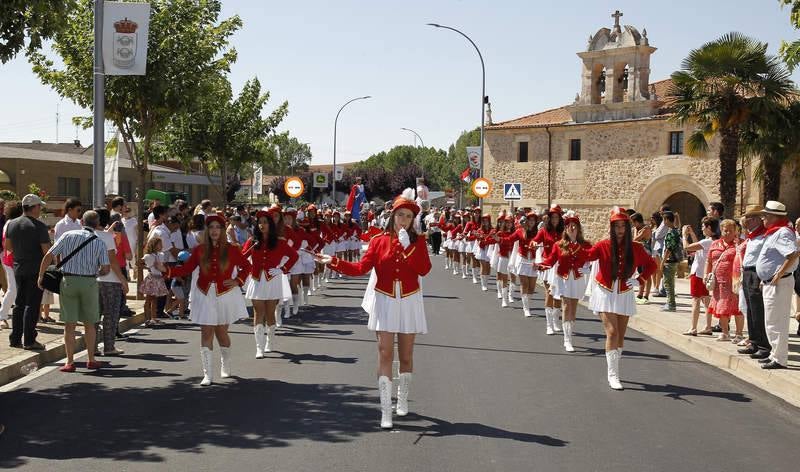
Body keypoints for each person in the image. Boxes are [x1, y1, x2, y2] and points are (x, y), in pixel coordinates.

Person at [317, 188, 432, 430]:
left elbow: (424, 269)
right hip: (385, 300)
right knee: (385, 353)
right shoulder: (378, 241)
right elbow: (361, 268)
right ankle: (385, 410)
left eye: (408, 216)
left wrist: (408, 246)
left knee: (407, 356)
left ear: (413, 220)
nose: (404, 220)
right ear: (392, 216)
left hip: (409, 300)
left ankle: (402, 397)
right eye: (400, 215)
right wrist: (334, 262)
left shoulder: (418, 242)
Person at [166, 214, 252, 385]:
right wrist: (166, 271)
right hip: (204, 294)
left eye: (217, 227)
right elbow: (186, 269)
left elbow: (247, 266)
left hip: (224, 295)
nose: (214, 231)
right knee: (206, 332)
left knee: (221, 333)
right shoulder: (200, 250)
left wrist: (237, 281)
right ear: (207, 230)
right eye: (211, 227)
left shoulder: (232, 249)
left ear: (222, 230)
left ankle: (225, 363)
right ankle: (208, 374)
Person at [582, 207, 656, 390]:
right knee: (612, 332)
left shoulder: (636, 248)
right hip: (605, 291)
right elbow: (587, 256)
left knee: (621, 336)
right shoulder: (603, 245)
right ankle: (613, 375)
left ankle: (615, 366)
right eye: (617, 226)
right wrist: (576, 242)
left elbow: (652, 265)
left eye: (623, 226)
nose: (620, 230)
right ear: (612, 227)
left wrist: (640, 279)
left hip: (624, 292)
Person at [37, 210, 110, 372]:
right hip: (89, 282)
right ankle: (91, 359)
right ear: (97, 224)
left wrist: (41, 275)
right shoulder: (99, 242)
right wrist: (95, 272)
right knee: (89, 324)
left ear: (82, 222)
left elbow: (49, 255)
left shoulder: (68, 235)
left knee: (69, 324)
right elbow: (106, 268)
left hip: (68, 281)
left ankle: (69, 362)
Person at [243, 210, 298, 357]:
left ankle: (270, 341)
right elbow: (242, 259)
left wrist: (283, 269)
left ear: (270, 225)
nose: (262, 225)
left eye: (265, 222)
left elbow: (294, 256)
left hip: (272, 280)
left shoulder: (280, 242)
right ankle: (259, 347)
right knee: (258, 312)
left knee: (270, 313)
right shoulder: (252, 241)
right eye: (259, 222)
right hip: (256, 280)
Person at [539, 211, 592, 352]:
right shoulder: (559, 245)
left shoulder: (585, 245)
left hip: (577, 279)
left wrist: (588, 268)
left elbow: (592, 258)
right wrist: (540, 265)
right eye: (569, 226)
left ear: (578, 228)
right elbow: (551, 260)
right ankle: (567, 340)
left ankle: (569, 333)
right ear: (566, 229)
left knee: (573, 309)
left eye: (574, 226)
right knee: (566, 306)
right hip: (563, 279)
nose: (571, 228)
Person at [755, 201, 799, 369]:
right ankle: (775, 355)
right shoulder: (774, 233)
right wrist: (764, 277)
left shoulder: (782, 233)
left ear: (774, 217)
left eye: (765, 215)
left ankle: (779, 359)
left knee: (776, 322)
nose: (762, 218)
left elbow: (793, 254)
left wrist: (778, 274)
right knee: (771, 321)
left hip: (779, 283)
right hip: (772, 283)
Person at [5, 194, 51, 350]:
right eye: (40, 206)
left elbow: (8, 246)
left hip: (18, 267)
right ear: (35, 207)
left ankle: (15, 338)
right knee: (32, 305)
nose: (40, 209)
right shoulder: (39, 226)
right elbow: (47, 251)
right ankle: (30, 340)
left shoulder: (12, 224)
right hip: (35, 269)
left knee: (19, 303)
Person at [94, 209, 129, 355]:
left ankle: (93, 346)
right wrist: (123, 280)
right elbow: (113, 262)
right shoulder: (108, 237)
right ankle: (109, 347)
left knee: (94, 315)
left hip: (94, 280)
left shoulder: (87, 235)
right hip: (110, 281)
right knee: (111, 315)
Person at [736, 206, 769, 357]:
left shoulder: (764, 235)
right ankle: (754, 342)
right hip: (748, 272)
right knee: (750, 309)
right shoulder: (753, 235)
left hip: (756, 273)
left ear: (755, 219)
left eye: (747, 218)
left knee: (757, 310)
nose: (745, 221)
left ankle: (763, 346)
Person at [704, 219, 744, 342]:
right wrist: (706, 274)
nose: (727, 233)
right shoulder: (715, 244)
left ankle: (739, 334)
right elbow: (709, 261)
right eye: (725, 230)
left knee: (737, 309)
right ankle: (725, 333)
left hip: (734, 283)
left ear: (736, 232)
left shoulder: (740, 245)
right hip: (718, 283)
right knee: (721, 308)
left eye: (730, 231)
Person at [682, 217, 719, 335]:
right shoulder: (712, 241)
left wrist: (684, 235)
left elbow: (687, 247)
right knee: (706, 301)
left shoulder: (706, 242)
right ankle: (708, 326)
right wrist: (692, 233)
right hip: (705, 273)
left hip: (698, 273)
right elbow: (698, 245)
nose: (702, 228)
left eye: (703, 226)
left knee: (696, 300)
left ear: (709, 228)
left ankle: (693, 327)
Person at [535, 204, 564, 334]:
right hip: (548, 265)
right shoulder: (543, 231)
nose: (554, 220)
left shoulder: (564, 232)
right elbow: (535, 241)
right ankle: (548, 325)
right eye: (553, 217)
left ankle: (555, 321)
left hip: (561, 265)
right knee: (550, 292)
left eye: (557, 217)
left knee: (558, 295)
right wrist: (534, 244)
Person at [504, 211, 540, 318]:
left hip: (533, 261)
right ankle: (526, 308)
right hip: (522, 260)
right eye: (530, 220)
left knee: (532, 288)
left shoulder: (538, 232)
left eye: (534, 220)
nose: (532, 222)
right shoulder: (520, 231)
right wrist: (499, 239)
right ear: (527, 221)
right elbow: (509, 239)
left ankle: (527, 303)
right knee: (525, 284)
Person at [1, 201, 22, 330]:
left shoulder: (9, 223)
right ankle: (2, 316)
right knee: (13, 289)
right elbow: (9, 245)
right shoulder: (12, 224)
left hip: (11, 259)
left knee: (15, 289)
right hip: (11, 260)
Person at [141, 238, 169, 327]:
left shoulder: (160, 255)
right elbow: (139, 262)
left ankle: (153, 318)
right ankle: (147, 319)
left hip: (158, 278)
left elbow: (162, 266)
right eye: (159, 244)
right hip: (152, 278)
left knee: (155, 299)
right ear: (154, 245)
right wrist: (147, 267)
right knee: (148, 299)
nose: (161, 246)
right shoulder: (148, 256)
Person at [660, 211, 683, 312]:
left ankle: (671, 304)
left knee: (668, 283)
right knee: (670, 282)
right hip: (674, 260)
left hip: (669, 261)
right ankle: (670, 302)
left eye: (664, 219)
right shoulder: (675, 231)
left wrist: (662, 263)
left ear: (667, 220)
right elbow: (678, 225)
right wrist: (677, 217)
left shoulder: (670, 233)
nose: (663, 221)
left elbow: (668, 249)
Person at [631, 213, 654, 305]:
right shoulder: (639, 229)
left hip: (646, 255)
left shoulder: (646, 229)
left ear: (637, 222)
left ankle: (645, 295)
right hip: (640, 254)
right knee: (641, 274)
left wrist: (636, 231)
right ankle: (640, 295)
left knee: (646, 275)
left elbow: (635, 239)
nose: (633, 225)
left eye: (633, 222)